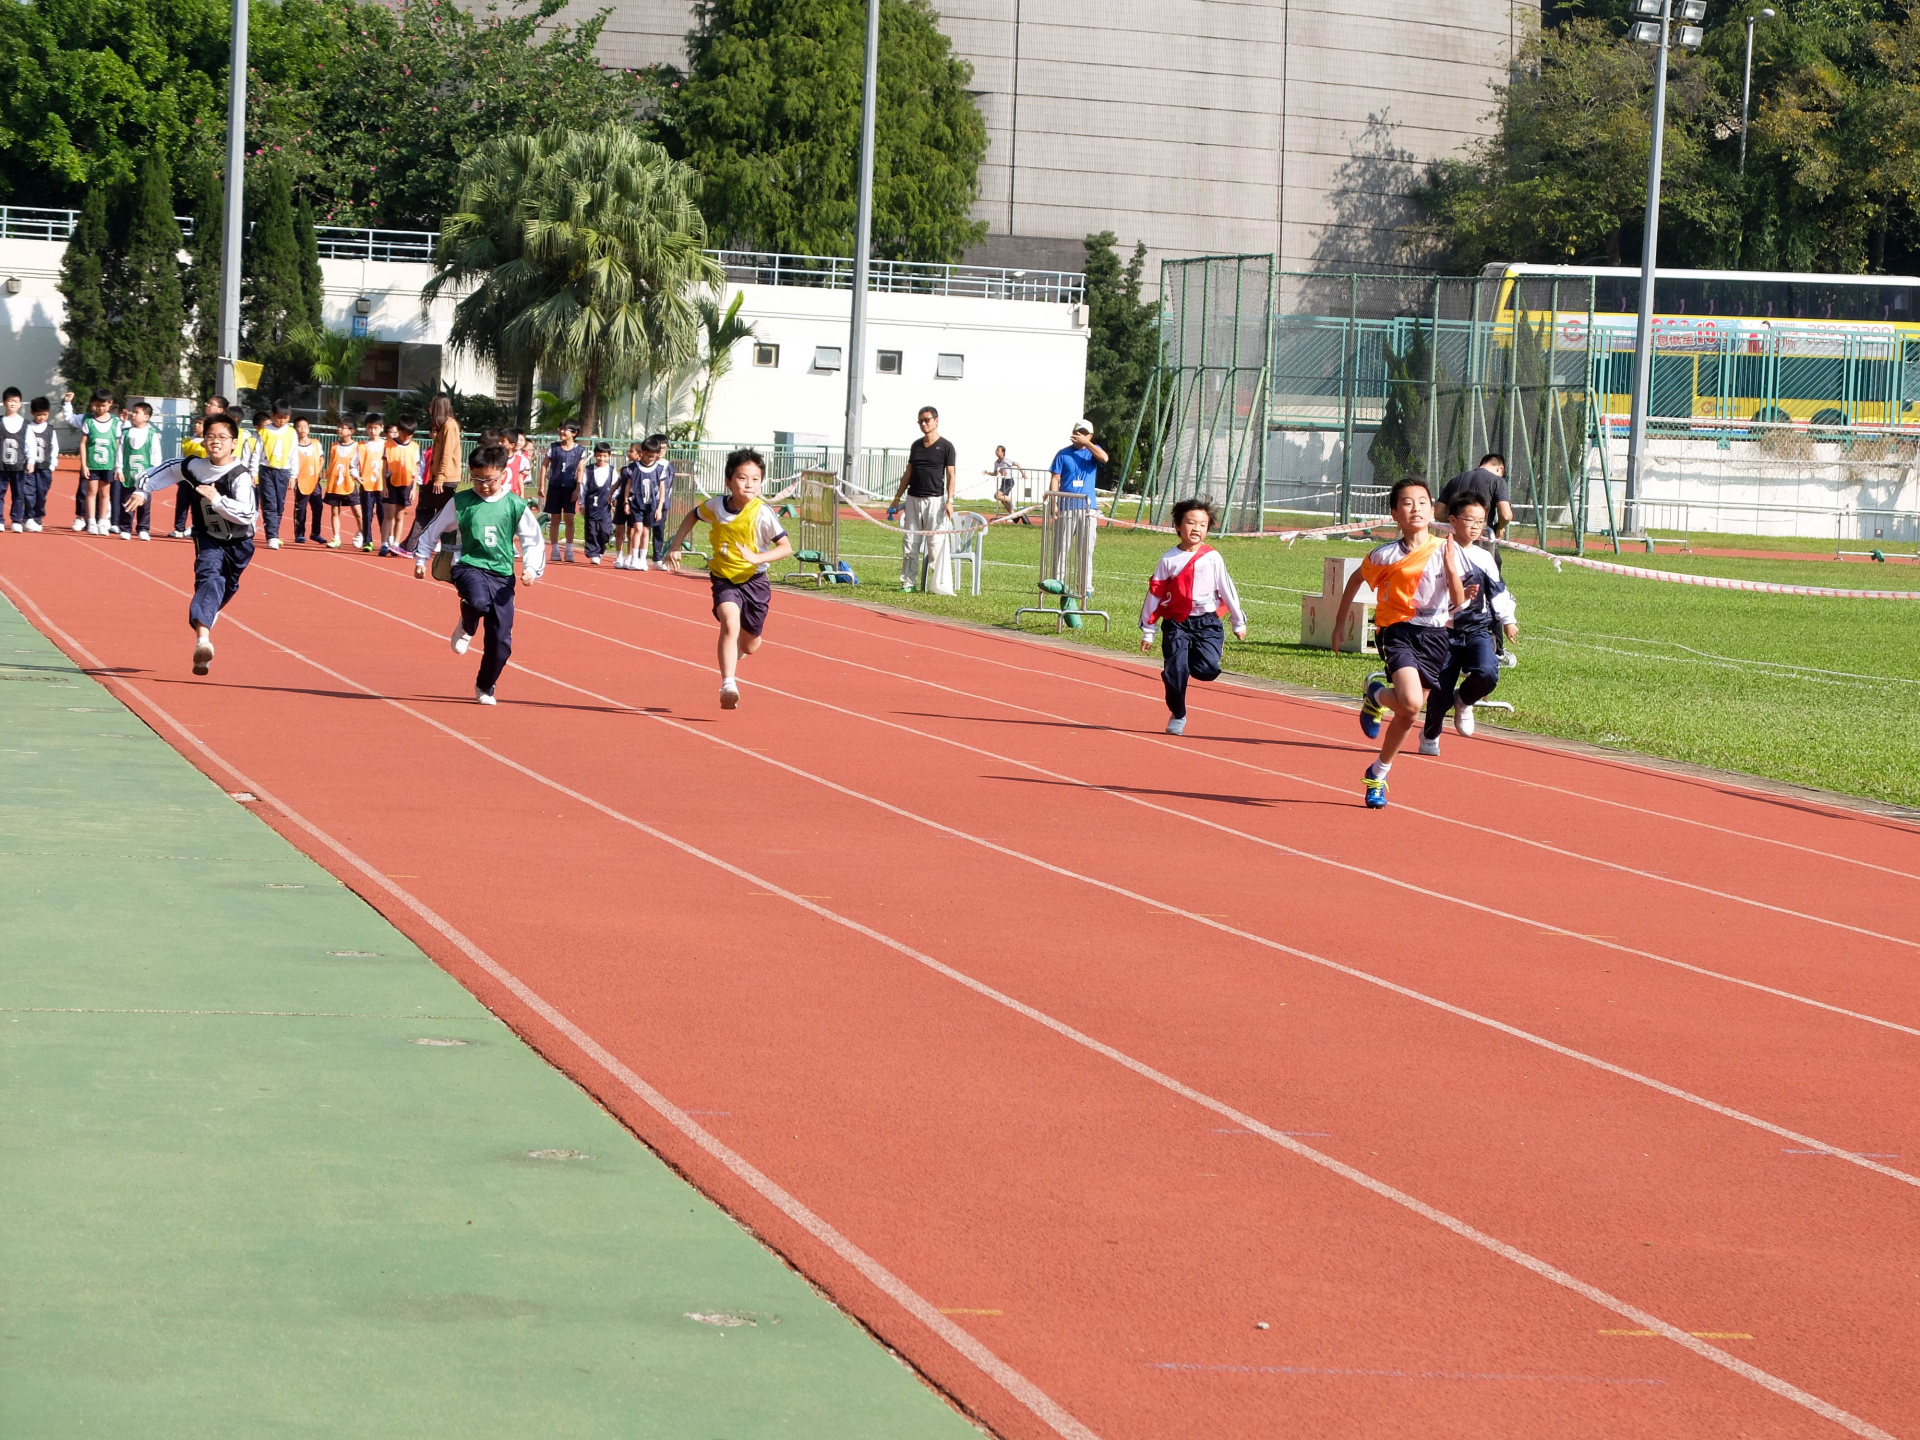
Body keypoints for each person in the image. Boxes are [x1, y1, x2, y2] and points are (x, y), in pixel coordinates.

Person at [1333, 477, 1467, 809]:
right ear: (1395, 513)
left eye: (1422, 502)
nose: (1416, 509)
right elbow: (1355, 580)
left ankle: (1378, 772)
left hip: (1435, 637)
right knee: (1410, 703)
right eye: (1407, 503)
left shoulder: (1447, 549)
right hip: (1397, 631)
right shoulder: (1385, 555)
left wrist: (1451, 569)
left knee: (1409, 713)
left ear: (1432, 509)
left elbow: (1459, 599)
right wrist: (1339, 623)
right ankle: (1377, 694)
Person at [412, 442, 544, 706]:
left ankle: (485, 686)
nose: (483, 485)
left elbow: (532, 540)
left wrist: (531, 568)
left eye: (489, 480)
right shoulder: (461, 502)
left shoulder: (515, 505)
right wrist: (421, 559)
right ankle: (467, 624)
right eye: (477, 479)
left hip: (502, 574)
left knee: (501, 642)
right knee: (478, 602)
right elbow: (433, 529)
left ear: (503, 474)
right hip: (467, 565)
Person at [124, 412, 256, 676]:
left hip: (239, 544)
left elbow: (248, 514)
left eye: (222, 437)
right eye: (210, 437)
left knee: (223, 591)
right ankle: (202, 642)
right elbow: (166, 468)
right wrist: (142, 490)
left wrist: (218, 499)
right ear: (203, 441)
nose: (216, 441)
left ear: (234, 442)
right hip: (207, 538)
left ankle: (203, 647)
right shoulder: (194, 467)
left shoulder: (240, 476)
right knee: (209, 579)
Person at [666, 447, 793, 710]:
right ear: (729, 481)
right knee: (729, 623)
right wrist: (676, 545)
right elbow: (693, 515)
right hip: (724, 578)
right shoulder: (716, 506)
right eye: (742, 478)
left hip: (754, 581)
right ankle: (728, 685)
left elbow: (786, 547)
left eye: (755, 479)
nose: (749, 484)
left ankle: (739, 651)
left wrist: (757, 558)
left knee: (751, 645)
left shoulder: (763, 513)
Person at [1139, 498, 1248, 737]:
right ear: (1178, 526)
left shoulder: (1212, 557)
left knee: (1207, 670)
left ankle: (1183, 663)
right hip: (1176, 623)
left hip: (1206, 622)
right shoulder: (1168, 560)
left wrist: (1238, 621)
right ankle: (1178, 714)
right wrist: (1149, 631)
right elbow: (1155, 595)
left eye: (1202, 524)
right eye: (1190, 523)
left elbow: (1227, 589)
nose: (1196, 528)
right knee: (1175, 673)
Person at [1419, 497, 1519, 756]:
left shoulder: (1484, 557)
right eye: (1469, 520)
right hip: (1443, 630)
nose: (1475, 527)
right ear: (1452, 521)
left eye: (1480, 522)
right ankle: (1430, 733)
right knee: (1439, 689)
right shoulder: (1437, 552)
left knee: (1487, 672)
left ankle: (1463, 700)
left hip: (1477, 629)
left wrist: (1508, 620)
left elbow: (1498, 591)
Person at [889, 406, 956, 594]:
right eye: (920, 421)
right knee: (910, 542)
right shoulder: (916, 446)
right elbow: (908, 472)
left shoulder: (946, 446)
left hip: (935, 500)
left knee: (936, 544)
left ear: (936, 421)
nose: (924, 424)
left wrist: (950, 500)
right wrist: (897, 498)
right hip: (913, 499)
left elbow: (951, 475)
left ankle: (939, 585)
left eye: (927, 420)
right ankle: (908, 583)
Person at [1047, 418, 1107, 597]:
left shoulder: (1094, 451)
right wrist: (1053, 501)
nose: (1081, 435)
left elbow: (1104, 458)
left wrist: (1087, 444)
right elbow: (1055, 478)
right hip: (1066, 507)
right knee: (1061, 547)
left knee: (1086, 549)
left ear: (1091, 435)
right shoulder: (1062, 454)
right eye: (1078, 432)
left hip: (1088, 509)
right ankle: (1058, 583)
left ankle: (1086, 587)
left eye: (1085, 433)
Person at [64, 390, 121, 535]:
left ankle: (103, 521)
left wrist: (118, 465)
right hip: (91, 464)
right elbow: (70, 419)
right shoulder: (87, 420)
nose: (100, 409)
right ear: (92, 404)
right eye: (96, 405)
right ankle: (84, 519)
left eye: (103, 405)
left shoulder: (116, 422)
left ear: (110, 404)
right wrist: (67, 403)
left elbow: (118, 443)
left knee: (105, 493)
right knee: (87, 492)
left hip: (107, 464)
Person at [1435, 452, 1512, 546]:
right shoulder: (1498, 481)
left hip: (1456, 541)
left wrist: (1459, 524)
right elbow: (1506, 516)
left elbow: (1438, 513)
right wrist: (1499, 527)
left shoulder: (1454, 480)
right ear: (1500, 469)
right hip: (1481, 541)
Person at [118, 401, 164, 541]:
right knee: (126, 501)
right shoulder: (126, 433)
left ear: (146, 417)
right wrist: (119, 468)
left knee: (144, 504)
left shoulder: (152, 435)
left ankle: (143, 528)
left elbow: (156, 456)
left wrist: (154, 474)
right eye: (133, 412)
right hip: (128, 474)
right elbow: (120, 452)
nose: (133, 415)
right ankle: (125, 528)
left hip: (145, 476)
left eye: (137, 412)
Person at [255, 399, 297, 550]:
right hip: (266, 470)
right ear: (272, 415)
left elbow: (294, 455)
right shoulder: (264, 431)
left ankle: (275, 532)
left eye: (285, 418)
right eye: (279, 417)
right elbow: (256, 453)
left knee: (280, 505)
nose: (282, 421)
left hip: (283, 472)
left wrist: (293, 476)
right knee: (269, 503)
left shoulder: (291, 433)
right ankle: (271, 536)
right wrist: (253, 472)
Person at [543, 422, 584, 562]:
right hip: (555, 486)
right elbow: (544, 465)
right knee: (555, 518)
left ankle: (569, 550)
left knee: (569, 518)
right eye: (560, 428)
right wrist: (541, 485)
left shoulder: (580, 450)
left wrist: (577, 488)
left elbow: (580, 470)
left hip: (570, 487)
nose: (561, 431)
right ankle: (555, 550)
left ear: (574, 433)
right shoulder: (554, 447)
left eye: (565, 429)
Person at [384, 418, 422, 557]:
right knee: (389, 514)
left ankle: (396, 544)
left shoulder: (415, 446)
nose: (407, 437)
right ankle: (386, 542)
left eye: (410, 434)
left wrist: (414, 488)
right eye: (404, 433)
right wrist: (384, 485)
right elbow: (384, 467)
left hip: (407, 484)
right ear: (399, 431)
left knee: (400, 515)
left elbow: (416, 468)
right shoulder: (388, 445)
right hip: (392, 482)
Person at [320, 418, 360, 548]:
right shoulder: (334, 446)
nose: (339, 429)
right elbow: (332, 464)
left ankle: (362, 533)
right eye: (339, 427)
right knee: (334, 511)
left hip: (349, 484)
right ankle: (336, 537)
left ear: (351, 431)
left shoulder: (357, 447)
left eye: (343, 427)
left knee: (358, 512)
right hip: (334, 485)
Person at [23, 396, 58, 533]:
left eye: (45, 414)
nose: (42, 418)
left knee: (41, 494)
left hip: (45, 468)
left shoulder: (50, 429)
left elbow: (54, 448)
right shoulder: (27, 428)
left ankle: (38, 517)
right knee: (29, 493)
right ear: (32, 413)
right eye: (39, 415)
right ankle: (28, 517)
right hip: (30, 468)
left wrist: (52, 464)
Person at [579, 440, 617, 564]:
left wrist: (614, 498)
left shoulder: (611, 471)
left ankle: (601, 547)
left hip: (604, 506)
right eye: (599, 455)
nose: (602, 458)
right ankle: (593, 552)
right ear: (595, 455)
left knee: (606, 530)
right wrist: (582, 504)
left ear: (609, 456)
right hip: (591, 505)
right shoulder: (589, 470)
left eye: (605, 456)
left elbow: (616, 486)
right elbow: (583, 488)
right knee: (591, 530)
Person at [289, 416, 324, 544]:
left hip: (314, 481)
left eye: (305, 427)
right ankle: (300, 534)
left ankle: (316, 533)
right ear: (295, 429)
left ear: (309, 429)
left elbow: (321, 459)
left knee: (318, 506)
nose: (302, 429)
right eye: (299, 427)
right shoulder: (293, 446)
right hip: (301, 481)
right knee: (301, 508)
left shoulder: (315, 443)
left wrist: (317, 472)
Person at [356, 415, 388, 553]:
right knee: (367, 514)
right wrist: (356, 475)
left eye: (375, 428)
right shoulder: (361, 446)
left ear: (381, 428)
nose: (372, 431)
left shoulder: (386, 445)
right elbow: (353, 464)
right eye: (369, 428)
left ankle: (385, 542)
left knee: (383, 514)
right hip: (367, 486)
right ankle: (368, 541)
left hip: (382, 487)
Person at [0, 387, 29, 532]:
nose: (12, 404)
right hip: (1, 466)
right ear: (4, 402)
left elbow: (29, 444)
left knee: (18, 494)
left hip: (19, 466)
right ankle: (0, 520)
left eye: (15, 401)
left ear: (20, 404)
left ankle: (16, 520)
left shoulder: (25, 424)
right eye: (9, 401)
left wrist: (31, 461)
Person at [987, 444, 1022, 519]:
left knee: (997, 496)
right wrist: (987, 473)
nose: (996, 452)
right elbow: (995, 473)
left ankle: (1011, 499)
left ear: (1003, 452)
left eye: (998, 450)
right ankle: (1013, 515)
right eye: (996, 450)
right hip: (1003, 482)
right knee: (1003, 500)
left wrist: (1023, 474)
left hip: (1009, 481)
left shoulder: (1006, 460)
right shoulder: (996, 463)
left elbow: (1017, 464)